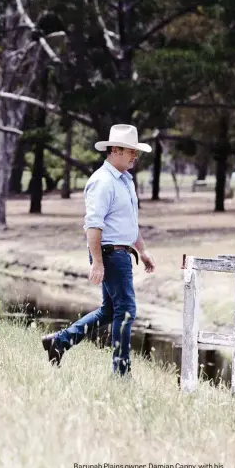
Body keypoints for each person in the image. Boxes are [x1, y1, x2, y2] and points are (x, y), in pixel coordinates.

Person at [42, 124, 156, 376]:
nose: (134, 156)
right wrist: (97, 262)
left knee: (110, 311)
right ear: (115, 150)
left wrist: (143, 250)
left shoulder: (125, 180)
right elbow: (93, 226)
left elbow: (129, 222)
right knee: (126, 311)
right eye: (130, 151)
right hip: (110, 255)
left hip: (121, 253)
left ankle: (59, 342)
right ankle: (121, 373)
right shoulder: (102, 182)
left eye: (136, 152)